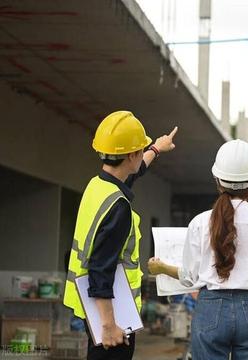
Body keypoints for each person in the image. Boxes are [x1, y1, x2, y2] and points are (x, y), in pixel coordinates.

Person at [148, 139, 248, 360]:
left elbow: (190, 277)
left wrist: (162, 268)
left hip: (210, 308)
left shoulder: (200, 222)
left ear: (217, 181)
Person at [63, 111, 177, 359]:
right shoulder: (119, 207)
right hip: (113, 314)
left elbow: (133, 172)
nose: (141, 153)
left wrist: (156, 148)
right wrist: (109, 326)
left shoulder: (98, 186)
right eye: (140, 149)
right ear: (131, 155)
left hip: (90, 306)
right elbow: (100, 269)